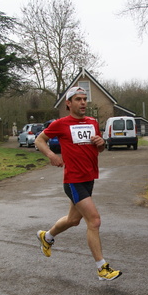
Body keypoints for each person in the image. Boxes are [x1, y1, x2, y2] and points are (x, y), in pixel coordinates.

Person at [34, 86, 122, 281]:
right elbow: (39, 140)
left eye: (84, 99)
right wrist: (51, 155)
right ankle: (102, 268)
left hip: (89, 178)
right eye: (78, 99)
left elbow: (98, 149)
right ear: (68, 103)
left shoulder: (92, 122)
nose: (83, 103)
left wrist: (101, 144)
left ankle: (46, 237)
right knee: (94, 220)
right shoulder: (61, 124)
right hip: (73, 180)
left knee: (73, 220)